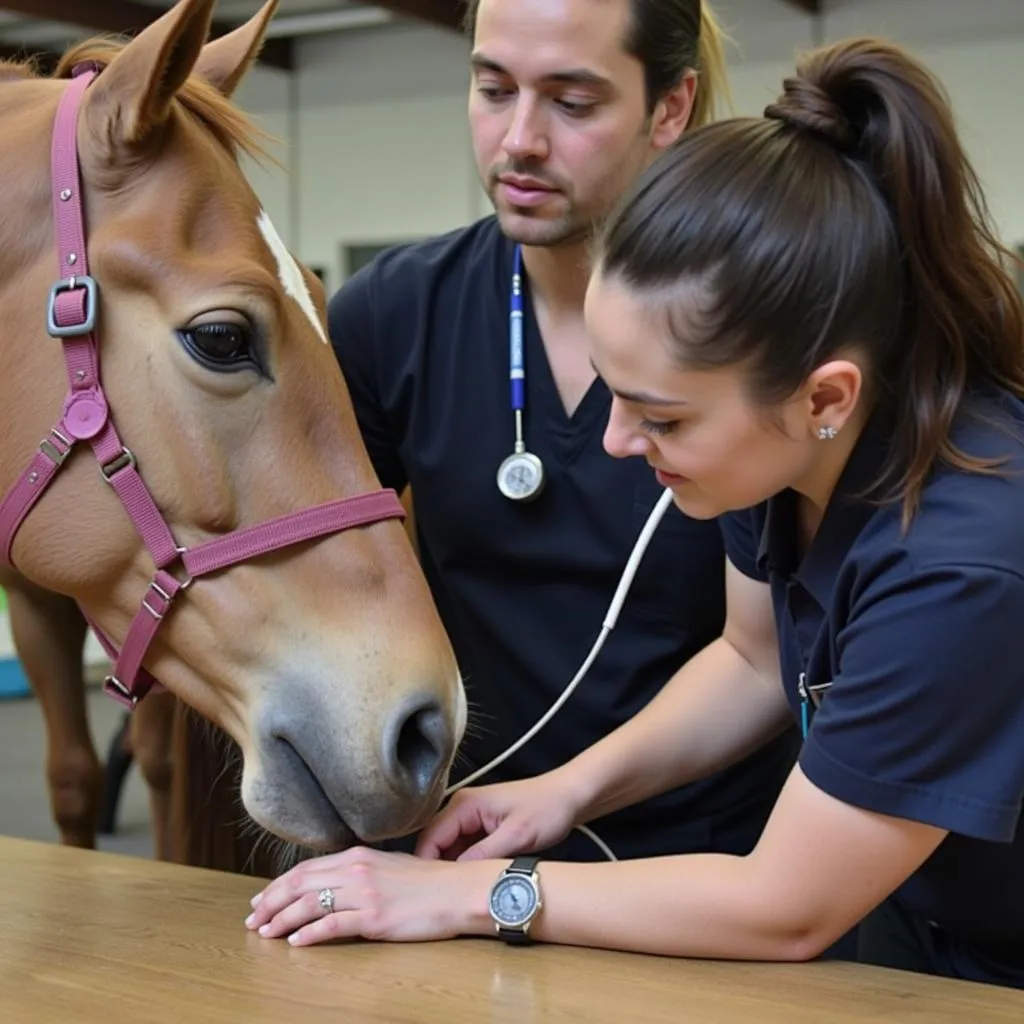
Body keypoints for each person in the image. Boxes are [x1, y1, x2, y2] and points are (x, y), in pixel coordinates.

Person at [246, 35, 1024, 990]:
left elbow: (785, 906)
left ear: (825, 397)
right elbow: (756, 658)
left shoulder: (960, 561)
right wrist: (560, 793)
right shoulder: (785, 463)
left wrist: (462, 898)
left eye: (661, 417)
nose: (616, 441)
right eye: (615, 393)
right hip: (920, 904)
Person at [320, 0, 800, 868]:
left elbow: (759, 659)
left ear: (670, 106)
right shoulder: (390, 317)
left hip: (702, 870)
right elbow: (318, 584)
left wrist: (568, 791)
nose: (519, 141)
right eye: (493, 89)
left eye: (572, 103)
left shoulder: (754, 328)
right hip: (453, 845)